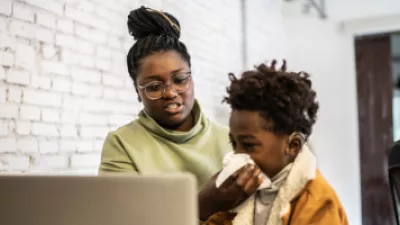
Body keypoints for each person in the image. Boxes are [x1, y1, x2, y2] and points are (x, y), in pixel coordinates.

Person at [97, 6, 234, 189]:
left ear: (191, 79)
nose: (170, 93)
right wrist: (204, 205)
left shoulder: (230, 138)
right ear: (138, 92)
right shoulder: (122, 144)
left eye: (179, 80)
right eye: (153, 87)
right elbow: (124, 215)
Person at [200, 60, 349, 225]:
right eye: (234, 145)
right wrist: (207, 206)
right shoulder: (236, 198)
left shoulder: (318, 202)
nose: (237, 156)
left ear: (293, 146)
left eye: (249, 145)